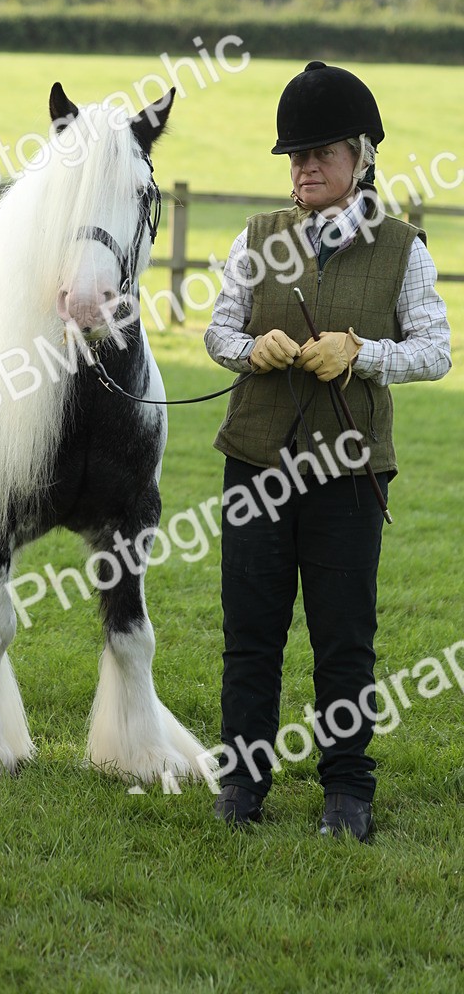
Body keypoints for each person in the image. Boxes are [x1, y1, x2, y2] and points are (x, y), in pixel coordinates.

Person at [204, 60, 451, 840]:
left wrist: (363, 351)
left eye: (321, 154)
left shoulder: (404, 248)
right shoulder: (257, 238)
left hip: (348, 474)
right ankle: (242, 781)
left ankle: (348, 792)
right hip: (256, 464)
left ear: (362, 156)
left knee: (343, 638)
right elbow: (217, 330)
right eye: (295, 156)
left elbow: (438, 351)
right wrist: (254, 348)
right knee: (250, 632)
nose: (305, 168)